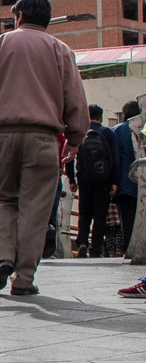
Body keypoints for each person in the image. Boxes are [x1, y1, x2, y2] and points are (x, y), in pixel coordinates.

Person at [0, 0, 90, 296]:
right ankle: (23, 278)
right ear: (45, 19)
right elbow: (75, 98)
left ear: (18, 17)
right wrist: (75, 138)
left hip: (3, 136)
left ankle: (2, 257)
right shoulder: (61, 50)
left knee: (4, 199)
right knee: (35, 208)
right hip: (44, 138)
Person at [71, 106, 119, 257]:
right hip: (104, 180)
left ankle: (82, 243)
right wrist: (115, 181)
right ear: (101, 117)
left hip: (84, 179)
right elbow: (115, 159)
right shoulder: (108, 133)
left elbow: (70, 154)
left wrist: (72, 179)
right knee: (100, 216)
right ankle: (96, 248)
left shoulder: (80, 133)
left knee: (84, 213)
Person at [113, 100, 141, 251]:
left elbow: (113, 158)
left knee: (127, 217)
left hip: (124, 182)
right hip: (142, 181)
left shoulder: (117, 130)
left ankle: (128, 248)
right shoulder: (144, 129)